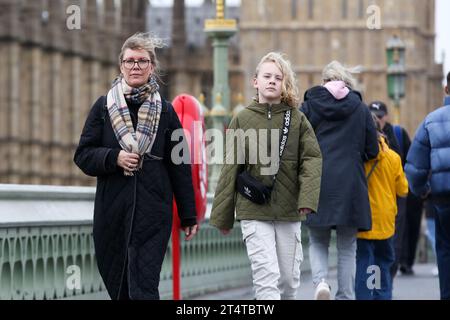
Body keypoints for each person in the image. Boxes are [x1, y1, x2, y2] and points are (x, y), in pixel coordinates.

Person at [73, 32, 198, 300]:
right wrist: (114, 158)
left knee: (144, 288)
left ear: (152, 66)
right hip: (112, 213)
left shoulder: (165, 111)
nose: (135, 67)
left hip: (153, 213)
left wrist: (189, 214)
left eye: (142, 61)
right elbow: (83, 155)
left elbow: (180, 164)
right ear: (121, 66)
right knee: (119, 287)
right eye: (130, 61)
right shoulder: (104, 108)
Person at [210, 52, 322, 300]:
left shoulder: (298, 119)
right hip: (253, 210)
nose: (272, 81)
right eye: (267, 76)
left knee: (288, 282)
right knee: (266, 279)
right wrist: (223, 217)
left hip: (289, 210)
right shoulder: (242, 119)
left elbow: (312, 159)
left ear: (284, 84)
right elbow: (230, 168)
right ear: (255, 81)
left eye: (278, 77)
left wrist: (307, 199)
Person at [300, 61, 379, 300]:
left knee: (317, 239)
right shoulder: (361, 108)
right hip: (350, 184)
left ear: (324, 81)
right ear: (346, 81)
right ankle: (345, 295)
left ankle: (321, 283)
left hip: (318, 181)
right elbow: (373, 150)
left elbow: (297, 144)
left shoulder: (309, 106)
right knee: (347, 247)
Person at [405, 71, 450, 300]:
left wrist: (422, 191)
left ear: (446, 89)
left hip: (443, 200)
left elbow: (414, 169)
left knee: (445, 251)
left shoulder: (431, 121)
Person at [355, 113, 408, 300]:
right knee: (381, 263)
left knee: (365, 263)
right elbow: (403, 190)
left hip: (363, 219)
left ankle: (365, 296)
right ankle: (381, 295)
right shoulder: (393, 157)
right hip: (386, 221)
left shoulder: (358, 155)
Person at [368, 101, 422, 278]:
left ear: (386, 117)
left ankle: (380, 281)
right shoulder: (390, 154)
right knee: (379, 252)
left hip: (389, 201)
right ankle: (381, 284)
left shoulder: (396, 135)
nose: (378, 119)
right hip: (377, 202)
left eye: (380, 116)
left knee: (385, 245)